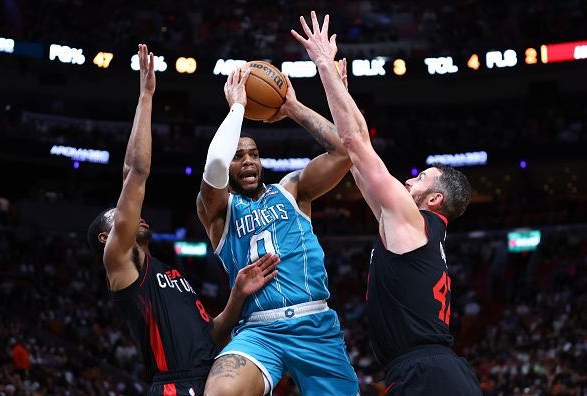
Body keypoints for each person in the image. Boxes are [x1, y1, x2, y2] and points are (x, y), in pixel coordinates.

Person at [292, 11, 482, 396]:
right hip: (426, 371)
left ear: (435, 198)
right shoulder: (411, 229)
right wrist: (339, 95)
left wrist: (323, 66)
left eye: (421, 177)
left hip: (428, 374)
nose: (410, 178)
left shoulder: (412, 221)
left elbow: (355, 145)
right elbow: (356, 164)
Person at [86, 44, 280, 396]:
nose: (132, 215)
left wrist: (236, 295)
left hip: (208, 379)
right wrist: (146, 97)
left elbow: (210, 335)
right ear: (105, 238)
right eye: (116, 215)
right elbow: (136, 172)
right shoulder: (120, 261)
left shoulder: (169, 273)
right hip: (173, 385)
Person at [196, 65, 359, 395]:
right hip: (258, 331)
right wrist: (238, 107)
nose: (248, 162)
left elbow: (343, 152)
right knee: (220, 392)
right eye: (238, 156)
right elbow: (214, 165)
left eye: (254, 154)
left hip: (314, 323)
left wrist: (292, 108)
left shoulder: (291, 190)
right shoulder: (216, 211)